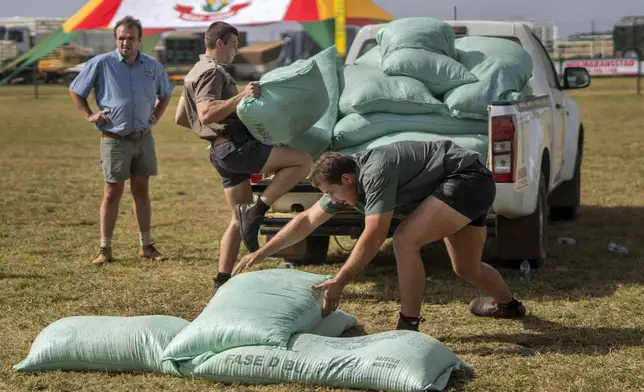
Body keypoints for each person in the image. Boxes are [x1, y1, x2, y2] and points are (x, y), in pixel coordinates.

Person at [233, 140, 527, 330]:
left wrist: (341, 280)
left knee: (405, 240)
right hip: (461, 187)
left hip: (466, 181)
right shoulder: (348, 180)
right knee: (467, 267)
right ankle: (509, 307)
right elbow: (308, 219)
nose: (332, 200)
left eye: (331, 193)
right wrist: (263, 251)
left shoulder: (375, 171)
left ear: (346, 179)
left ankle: (408, 325)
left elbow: (375, 234)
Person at [174, 21, 313, 293]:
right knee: (303, 161)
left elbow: (182, 117)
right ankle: (259, 210)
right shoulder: (213, 72)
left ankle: (221, 280)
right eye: (234, 45)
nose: (236, 51)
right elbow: (205, 113)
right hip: (234, 148)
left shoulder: (194, 71)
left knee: (238, 220)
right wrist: (242, 97)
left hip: (219, 151)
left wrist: (212, 135)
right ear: (220, 43)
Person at [69, 16, 174, 264]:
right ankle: (105, 249)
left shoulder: (152, 65)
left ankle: (146, 246)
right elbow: (76, 89)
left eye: (130, 38)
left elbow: (166, 93)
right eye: (121, 38)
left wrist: (156, 115)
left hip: (144, 138)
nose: (125, 43)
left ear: (139, 40)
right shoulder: (101, 63)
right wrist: (89, 115)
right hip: (114, 138)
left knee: (141, 190)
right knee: (112, 192)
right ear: (116, 39)